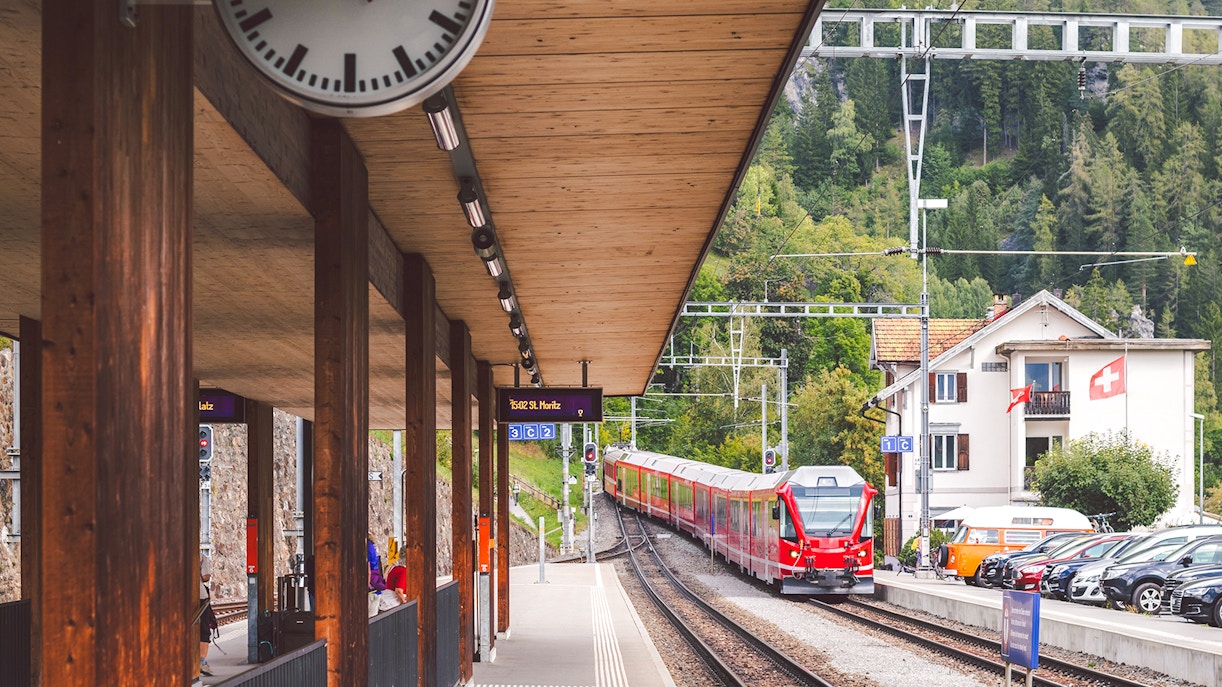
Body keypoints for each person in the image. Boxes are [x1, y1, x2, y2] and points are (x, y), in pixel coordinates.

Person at [198, 555, 218, 677]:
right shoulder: (201, 557)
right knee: (204, 631)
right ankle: (201, 662)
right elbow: (205, 576)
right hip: (199, 596)